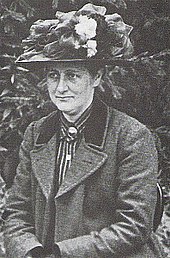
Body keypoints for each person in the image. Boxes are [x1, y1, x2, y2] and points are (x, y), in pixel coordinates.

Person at [3, 3, 165, 258]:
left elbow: (134, 225)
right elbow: (16, 213)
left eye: (73, 76)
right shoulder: (37, 133)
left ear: (97, 77)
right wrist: (30, 252)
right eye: (53, 75)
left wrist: (61, 254)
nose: (60, 88)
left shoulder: (131, 136)